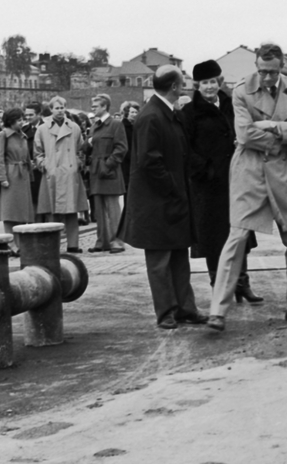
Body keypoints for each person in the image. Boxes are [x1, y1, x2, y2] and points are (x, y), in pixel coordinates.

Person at [207, 42, 287, 331]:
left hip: (285, 172)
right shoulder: (241, 90)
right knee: (237, 237)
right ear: (256, 66)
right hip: (250, 171)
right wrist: (284, 132)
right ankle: (217, 311)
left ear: (282, 68)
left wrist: (269, 125)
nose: (267, 77)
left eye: (273, 72)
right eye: (262, 71)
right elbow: (245, 135)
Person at [121, 66, 207, 329]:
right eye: (183, 83)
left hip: (172, 199)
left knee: (179, 256)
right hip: (157, 203)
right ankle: (166, 312)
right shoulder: (151, 116)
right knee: (159, 261)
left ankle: (186, 309)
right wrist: (173, 187)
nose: (185, 87)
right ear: (174, 87)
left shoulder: (168, 113)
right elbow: (149, 161)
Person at [182, 61, 262, 304]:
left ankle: (242, 283)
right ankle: (218, 285)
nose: (209, 87)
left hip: (236, 180)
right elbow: (186, 149)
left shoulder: (232, 105)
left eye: (213, 82)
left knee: (240, 231)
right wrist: (206, 170)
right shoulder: (189, 113)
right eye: (204, 83)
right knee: (213, 237)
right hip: (208, 187)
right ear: (197, 86)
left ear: (219, 82)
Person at [34, 96, 88, 252]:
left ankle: (73, 245)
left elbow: (81, 149)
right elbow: (37, 152)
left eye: (62, 107)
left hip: (70, 174)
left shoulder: (74, 127)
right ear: (51, 110)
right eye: (57, 108)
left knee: (71, 211)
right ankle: (54, 246)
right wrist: (45, 165)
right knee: (53, 213)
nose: (60, 111)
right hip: (52, 174)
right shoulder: (42, 129)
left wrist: (77, 163)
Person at [85, 94, 127, 253]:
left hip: (109, 172)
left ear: (104, 107)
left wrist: (108, 165)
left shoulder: (116, 124)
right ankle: (102, 241)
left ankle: (117, 242)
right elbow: (87, 147)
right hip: (96, 171)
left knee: (112, 208)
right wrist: (87, 145)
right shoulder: (95, 126)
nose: (93, 108)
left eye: (95, 106)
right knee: (99, 209)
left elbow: (121, 148)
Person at [0, 107, 36, 241]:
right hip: (10, 175)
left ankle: (21, 242)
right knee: (10, 212)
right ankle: (11, 242)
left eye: (22, 119)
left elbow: (27, 157)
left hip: (23, 175)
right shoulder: (3, 135)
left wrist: (30, 174)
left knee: (22, 212)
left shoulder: (23, 135)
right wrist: (2, 178)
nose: (22, 122)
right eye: (18, 120)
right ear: (10, 121)